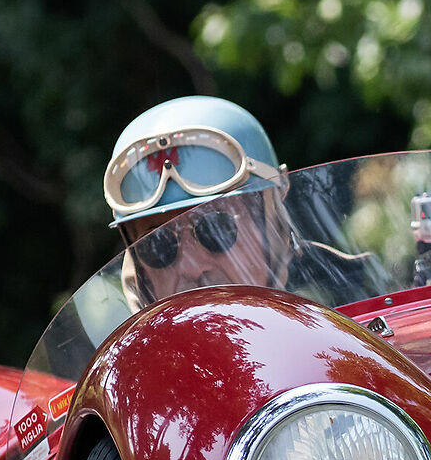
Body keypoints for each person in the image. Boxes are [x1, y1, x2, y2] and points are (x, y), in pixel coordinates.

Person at [103, 96, 295, 305]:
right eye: (158, 245)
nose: (191, 269)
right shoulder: (123, 339)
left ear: (272, 223)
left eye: (216, 229)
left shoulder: (333, 324)